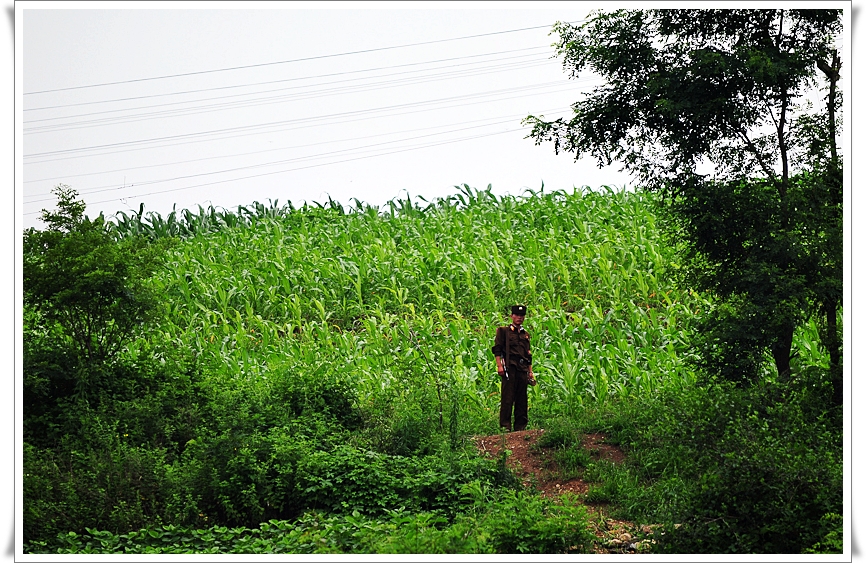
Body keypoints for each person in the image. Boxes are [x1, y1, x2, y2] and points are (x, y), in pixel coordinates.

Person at [491, 305, 536, 432]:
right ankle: (505, 427)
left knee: (522, 399)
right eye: (517, 315)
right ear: (512, 316)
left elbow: (528, 354)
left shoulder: (525, 334)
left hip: (522, 368)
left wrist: (530, 371)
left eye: (522, 316)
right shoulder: (503, 331)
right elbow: (497, 349)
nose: (519, 318)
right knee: (507, 397)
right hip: (509, 367)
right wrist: (499, 366)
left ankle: (520, 428)